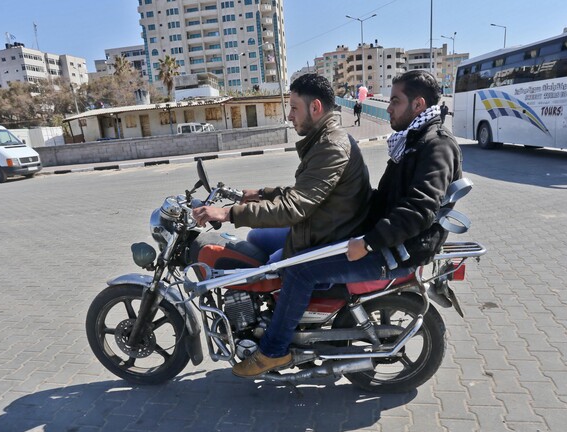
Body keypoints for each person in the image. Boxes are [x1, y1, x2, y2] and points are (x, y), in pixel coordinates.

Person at [222, 70, 463, 378]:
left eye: (394, 100)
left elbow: (420, 209)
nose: (387, 107)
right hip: (381, 235)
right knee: (273, 244)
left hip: (396, 249)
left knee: (298, 269)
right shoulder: (412, 139)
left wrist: (369, 241)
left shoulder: (436, 146)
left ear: (417, 105)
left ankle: (273, 350)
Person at [191, 73, 373, 373]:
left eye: (293, 108)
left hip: (331, 234)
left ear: (315, 107)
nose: (289, 116)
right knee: (259, 239)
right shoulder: (323, 140)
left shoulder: (331, 146)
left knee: (274, 269)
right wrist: (259, 194)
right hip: (327, 222)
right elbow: (306, 192)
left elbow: (296, 206)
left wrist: (228, 214)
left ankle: (273, 349)